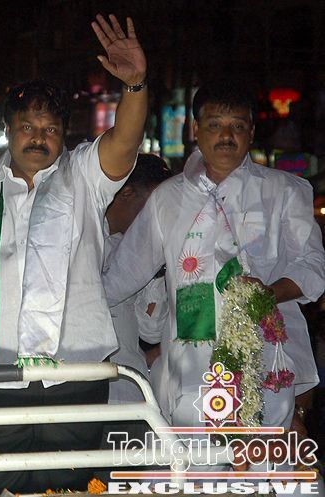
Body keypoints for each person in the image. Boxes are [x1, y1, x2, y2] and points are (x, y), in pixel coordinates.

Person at [0, 14, 147, 494]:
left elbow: (124, 142)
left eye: (50, 128)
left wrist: (134, 86)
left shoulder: (84, 174)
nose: (38, 137)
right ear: (7, 129)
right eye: (27, 126)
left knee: (69, 485)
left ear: (64, 134)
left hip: (76, 371)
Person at [103, 80, 325, 448]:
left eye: (237, 125)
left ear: (251, 132)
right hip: (188, 375)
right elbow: (121, 278)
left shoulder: (284, 191)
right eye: (214, 125)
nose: (226, 136)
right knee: (195, 471)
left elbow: (314, 267)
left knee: (261, 468)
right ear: (195, 130)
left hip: (264, 370)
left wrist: (270, 292)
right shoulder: (168, 198)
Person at [102, 153, 171, 406]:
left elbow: (151, 331)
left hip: (131, 391)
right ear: (127, 193)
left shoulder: (137, 251)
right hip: (86, 391)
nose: (158, 218)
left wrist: (157, 272)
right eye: (153, 207)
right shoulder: (83, 241)